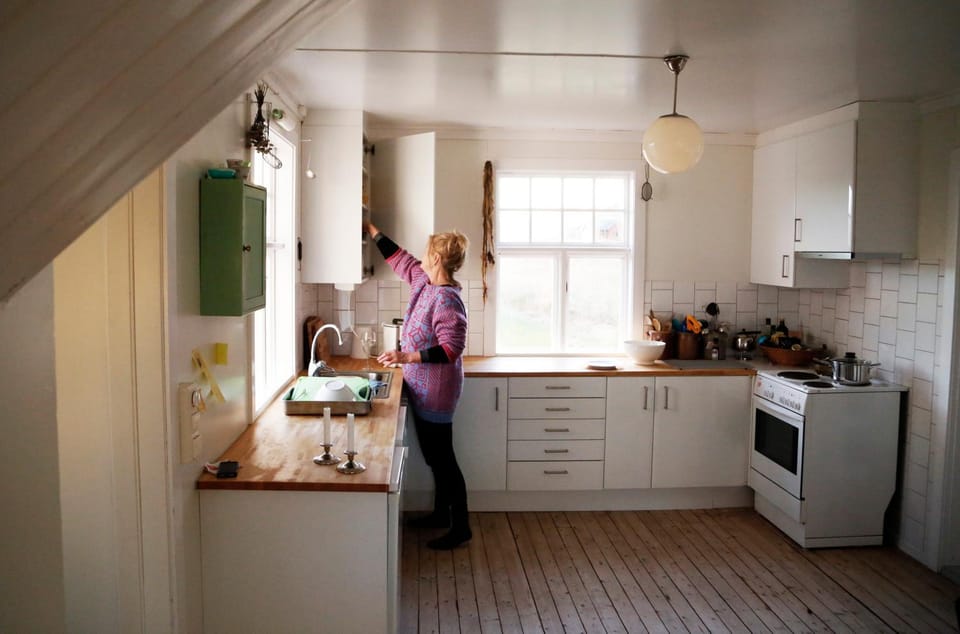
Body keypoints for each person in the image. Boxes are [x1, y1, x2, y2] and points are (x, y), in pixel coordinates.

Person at [365, 221, 472, 550]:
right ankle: (441, 515)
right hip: (421, 387)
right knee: (434, 457)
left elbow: (450, 349)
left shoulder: (447, 300)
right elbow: (401, 259)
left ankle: (461, 527)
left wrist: (405, 356)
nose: (421, 257)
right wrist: (372, 231)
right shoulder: (424, 282)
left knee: (442, 459)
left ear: (438, 258)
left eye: (428, 253)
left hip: (437, 392)